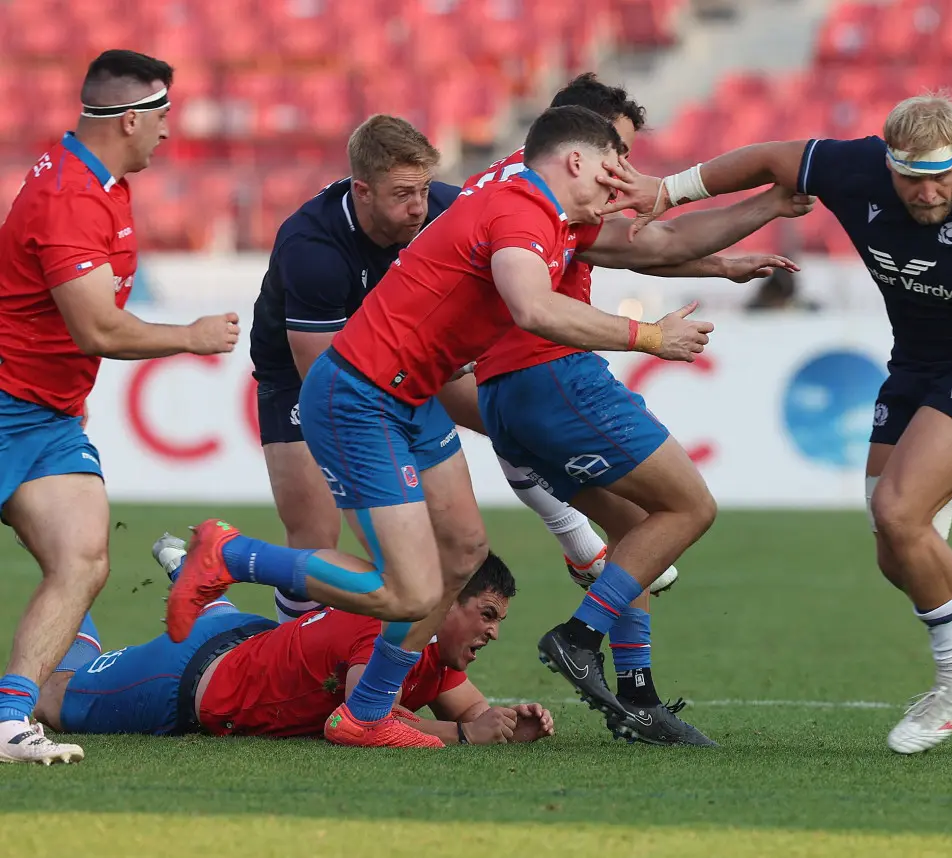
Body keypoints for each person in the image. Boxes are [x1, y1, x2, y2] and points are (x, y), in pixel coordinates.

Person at [167, 105, 806, 749]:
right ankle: (229, 555)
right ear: (575, 161)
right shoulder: (519, 210)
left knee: (465, 555)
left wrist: (770, 206)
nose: (624, 189)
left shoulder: (548, 210)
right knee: (408, 589)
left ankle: (365, 712)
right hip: (359, 396)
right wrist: (648, 335)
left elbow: (663, 244)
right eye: (613, 172)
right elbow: (531, 306)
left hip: (412, 394)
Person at [604, 91, 952, 757]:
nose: (926, 193)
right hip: (915, 365)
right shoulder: (853, 168)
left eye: (940, 178)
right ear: (888, 166)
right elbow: (773, 158)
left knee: (899, 510)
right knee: (897, 546)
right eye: (911, 180)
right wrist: (672, 188)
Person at [453, 73, 804, 745]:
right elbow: (653, 244)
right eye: (616, 150)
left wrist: (732, 252)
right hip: (550, 375)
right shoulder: (538, 198)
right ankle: (579, 636)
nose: (626, 171)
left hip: (505, 391)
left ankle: (637, 699)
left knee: (638, 535)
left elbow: (648, 246)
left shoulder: (511, 188)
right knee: (690, 507)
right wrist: (769, 205)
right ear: (575, 143)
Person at [247, 113, 619, 623]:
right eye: (402, 195)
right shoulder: (312, 246)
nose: (419, 207)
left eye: (424, 188)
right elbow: (320, 375)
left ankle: (572, 533)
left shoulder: (446, 208)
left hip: (403, 363)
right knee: (315, 538)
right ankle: (285, 664)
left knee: (504, 417)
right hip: (308, 380)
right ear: (362, 191)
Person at [0, 50, 240, 765]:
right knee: (79, 559)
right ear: (130, 118)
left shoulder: (99, 180)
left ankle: (10, 720)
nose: (169, 130)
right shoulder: (72, 195)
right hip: (8, 403)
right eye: (162, 116)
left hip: (42, 416)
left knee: (82, 559)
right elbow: (97, 328)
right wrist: (189, 337)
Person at [34, 538, 551, 746]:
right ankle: (66, 580)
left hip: (248, 637)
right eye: (486, 615)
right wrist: (465, 736)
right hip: (185, 678)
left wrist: (507, 723)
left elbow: (472, 708)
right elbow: (360, 721)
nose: (494, 632)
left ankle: (192, 575)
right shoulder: (386, 635)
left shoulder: (430, 647)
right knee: (51, 699)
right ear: (449, 601)